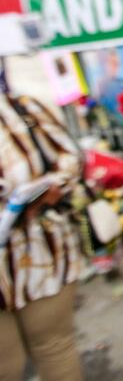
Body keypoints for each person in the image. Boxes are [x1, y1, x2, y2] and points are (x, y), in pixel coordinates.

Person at [0, 67, 85, 381]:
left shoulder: (22, 108)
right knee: (5, 368)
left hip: (38, 251)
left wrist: (52, 186)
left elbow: (70, 157)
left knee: (54, 349)